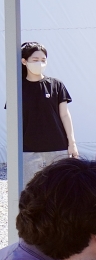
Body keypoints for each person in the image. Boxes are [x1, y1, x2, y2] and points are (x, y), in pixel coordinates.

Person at [18, 42, 78, 181]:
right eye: (35, 60)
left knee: (60, 190)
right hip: (28, 150)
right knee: (30, 192)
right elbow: (13, 119)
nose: (40, 63)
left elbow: (64, 115)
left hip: (58, 148)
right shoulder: (17, 87)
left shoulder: (56, 85)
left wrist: (72, 143)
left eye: (43, 60)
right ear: (24, 61)